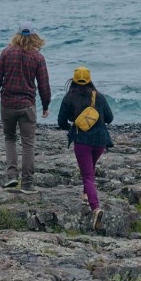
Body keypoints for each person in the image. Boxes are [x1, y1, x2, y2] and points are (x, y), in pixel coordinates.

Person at [0, 21, 51, 194]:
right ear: (34, 36)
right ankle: (27, 184)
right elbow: (44, 85)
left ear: (17, 35)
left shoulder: (6, 52)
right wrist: (46, 105)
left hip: (7, 104)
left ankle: (11, 176)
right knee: (28, 144)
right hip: (27, 106)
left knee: (9, 138)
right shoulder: (38, 57)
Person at [57, 66, 114, 231]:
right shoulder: (99, 97)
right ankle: (85, 194)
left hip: (82, 141)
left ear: (74, 81)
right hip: (101, 142)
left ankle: (95, 208)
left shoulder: (69, 98)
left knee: (87, 175)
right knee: (90, 168)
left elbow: (61, 122)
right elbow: (109, 118)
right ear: (89, 80)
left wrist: (73, 124)